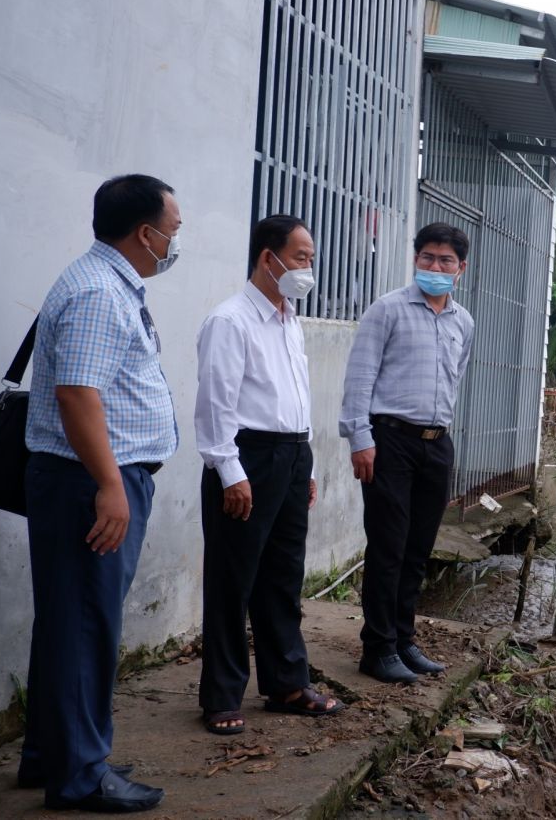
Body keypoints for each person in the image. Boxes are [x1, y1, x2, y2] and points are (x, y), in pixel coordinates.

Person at [19, 174, 180, 812]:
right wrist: (111, 485)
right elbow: (78, 394)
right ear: (145, 233)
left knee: (68, 625)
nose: (175, 241)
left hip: (91, 477)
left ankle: (50, 756)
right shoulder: (96, 293)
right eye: (173, 230)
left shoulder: (104, 282)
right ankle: (81, 775)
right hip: (90, 482)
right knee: (87, 626)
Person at [195, 215, 343, 734]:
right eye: (301, 257)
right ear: (268, 257)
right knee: (232, 580)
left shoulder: (289, 318)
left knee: (283, 576)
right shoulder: (231, 321)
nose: (308, 268)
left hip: (289, 454)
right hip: (246, 458)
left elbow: (295, 398)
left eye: (310, 259)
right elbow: (216, 403)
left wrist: (306, 463)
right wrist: (230, 472)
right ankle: (221, 697)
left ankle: (286, 682)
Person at [339, 223, 475, 683]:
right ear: (415, 259)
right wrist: (361, 439)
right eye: (427, 258)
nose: (435, 267)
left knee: (417, 550)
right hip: (389, 440)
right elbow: (360, 377)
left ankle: (403, 640)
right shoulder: (388, 310)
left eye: (445, 261)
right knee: (388, 547)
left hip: (437, 445)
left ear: (461, 268)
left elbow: (454, 379)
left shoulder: (463, 321)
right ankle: (377, 649)